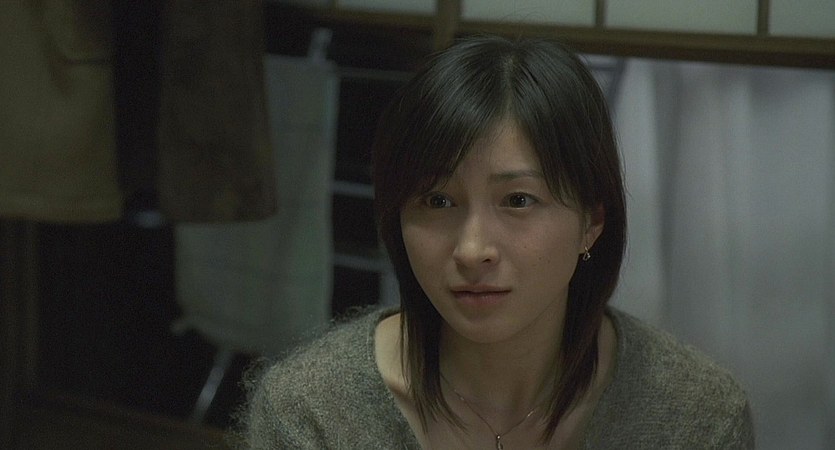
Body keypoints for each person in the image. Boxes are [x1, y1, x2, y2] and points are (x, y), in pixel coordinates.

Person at [239, 35, 754, 449]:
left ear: (592, 221)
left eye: (518, 200)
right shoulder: (313, 412)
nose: (472, 250)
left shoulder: (692, 415)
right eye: (437, 201)